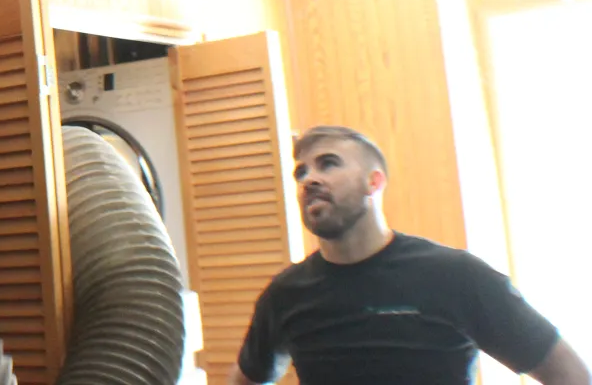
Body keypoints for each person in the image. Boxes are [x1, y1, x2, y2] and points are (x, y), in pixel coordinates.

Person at [231, 125, 589, 385]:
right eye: (301, 172)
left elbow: (567, 373)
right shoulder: (285, 294)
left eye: (328, 164)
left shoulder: (456, 276)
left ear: (374, 182)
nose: (309, 179)